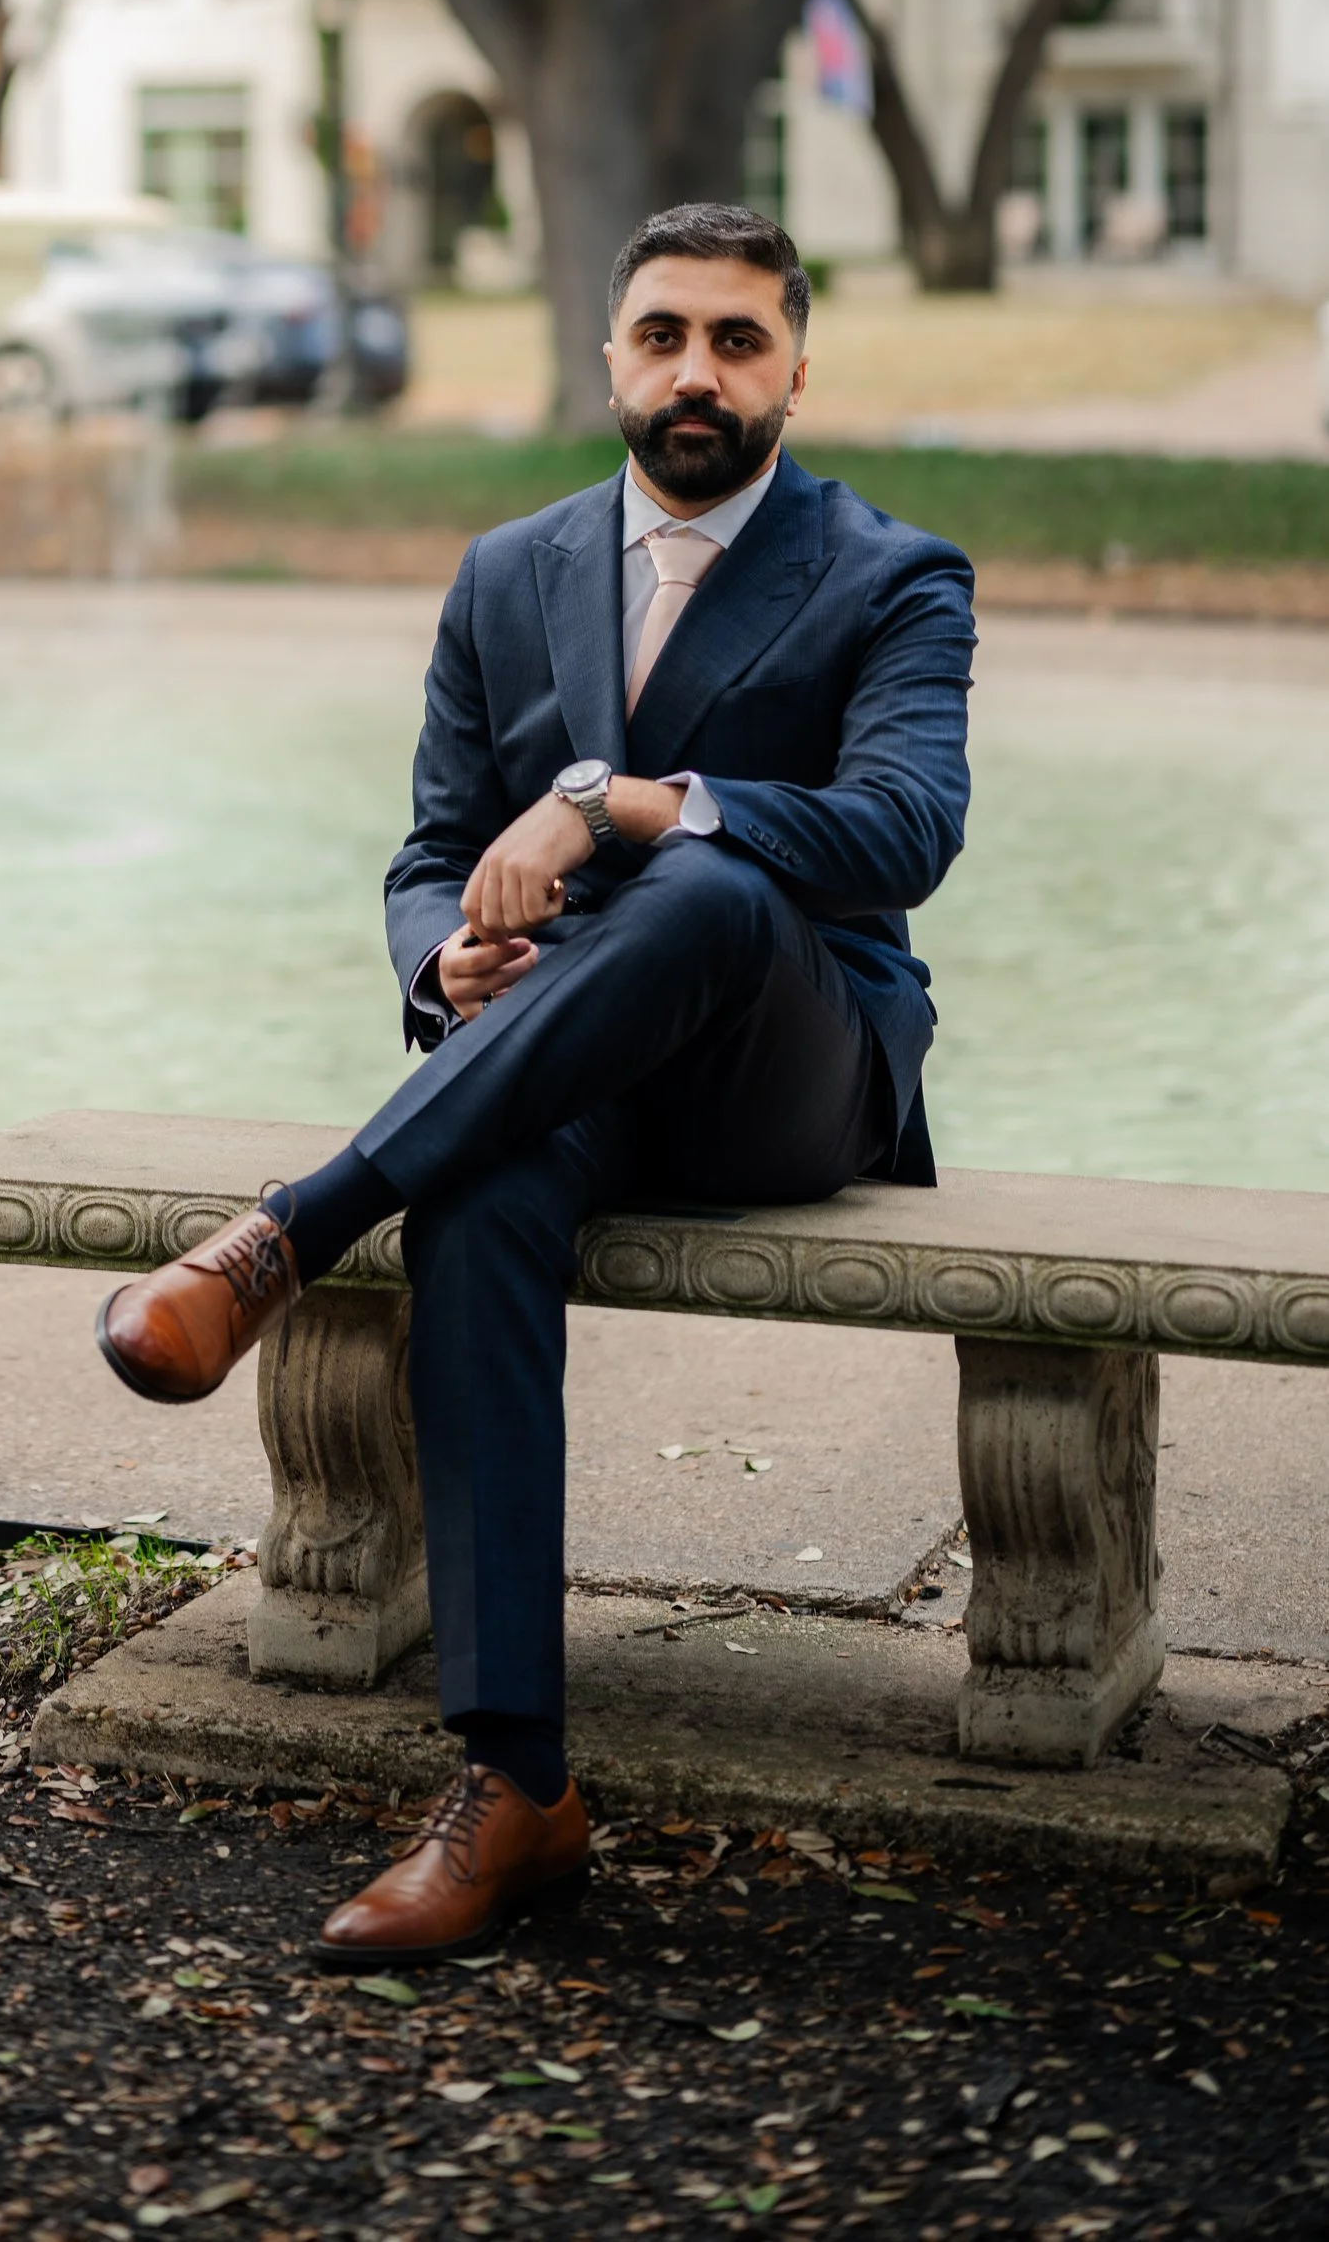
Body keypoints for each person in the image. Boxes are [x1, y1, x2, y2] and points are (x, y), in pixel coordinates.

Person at [95, 201, 975, 1967]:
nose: (699, 371)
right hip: (562, 1062)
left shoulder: (893, 575)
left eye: (739, 337)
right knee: (482, 1191)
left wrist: (623, 800)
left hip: (793, 1077)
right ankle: (516, 1787)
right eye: (665, 334)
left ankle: (285, 1233)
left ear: (798, 362)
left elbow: (905, 829)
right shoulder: (508, 572)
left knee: (715, 876)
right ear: (611, 358)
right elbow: (430, 852)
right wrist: (448, 963)